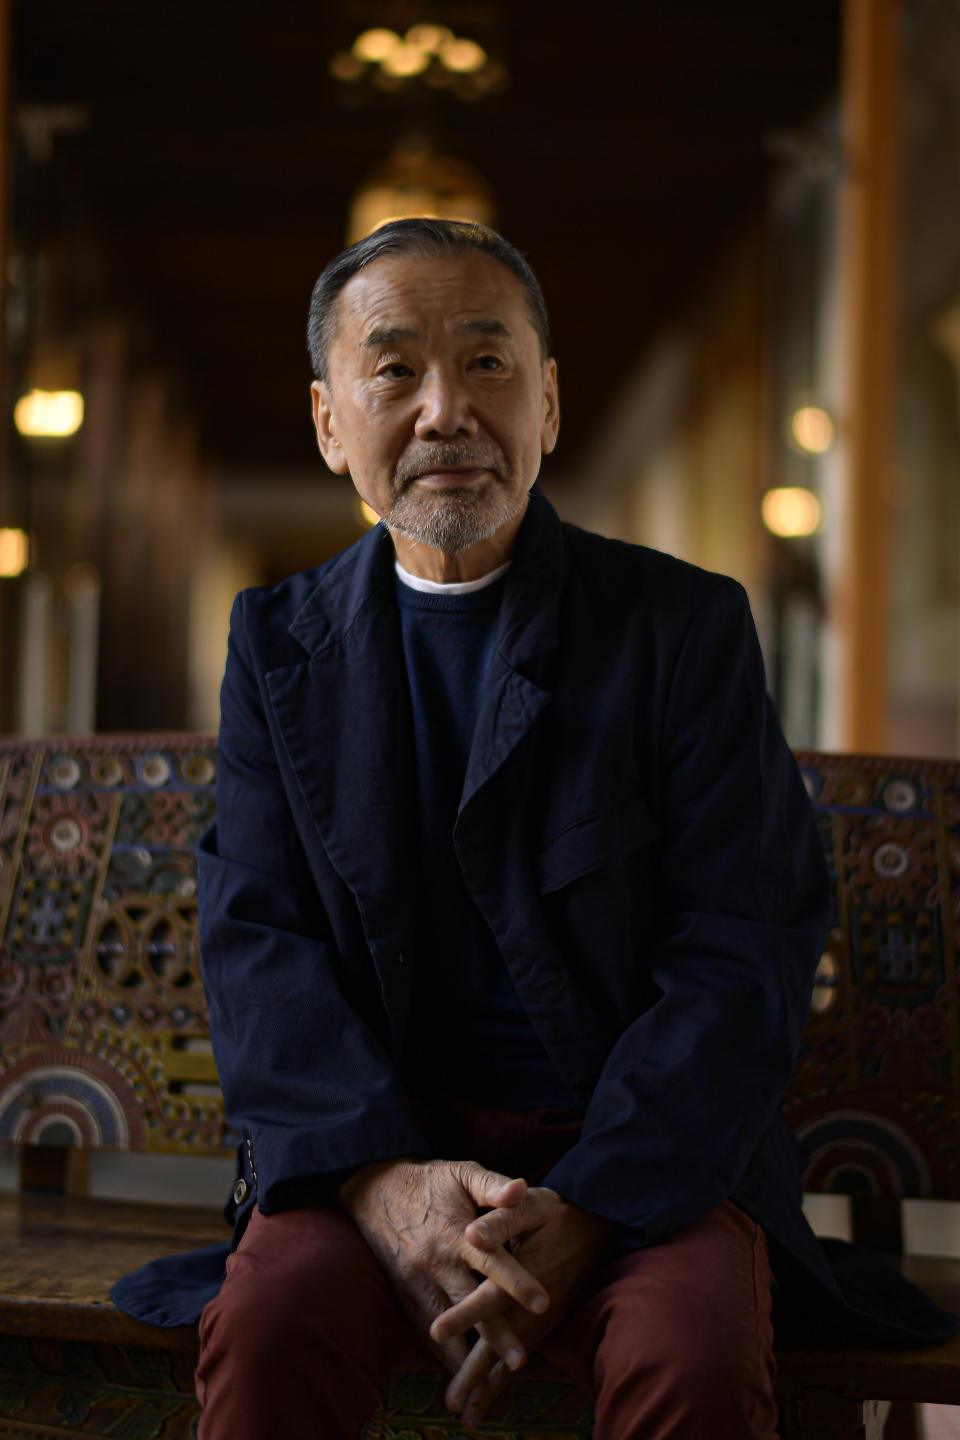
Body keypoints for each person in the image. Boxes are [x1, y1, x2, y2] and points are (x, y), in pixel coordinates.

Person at [110, 218, 955, 1438]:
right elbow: (259, 938)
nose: (447, 409)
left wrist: (596, 1201)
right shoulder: (277, 644)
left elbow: (747, 944)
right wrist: (380, 1180)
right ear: (327, 423)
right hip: (374, 1151)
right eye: (394, 369)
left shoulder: (681, 630)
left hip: (644, 1159)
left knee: (693, 1359)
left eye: (491, 363)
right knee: (269, 1324)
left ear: (549, 405)